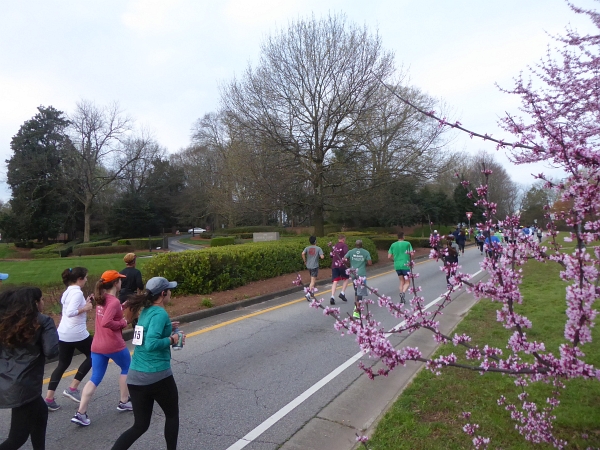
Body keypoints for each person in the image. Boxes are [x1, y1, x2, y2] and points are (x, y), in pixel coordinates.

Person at [111, 277, 182, 450]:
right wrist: (172, 339)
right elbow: (151, 344)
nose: (171, 292)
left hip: (135, 376)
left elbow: (142, 337)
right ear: (163, 293)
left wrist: (167, 327)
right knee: (172, 416)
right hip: (157, 375)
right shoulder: (160, 313)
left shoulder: (145, 311)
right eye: (169, 290)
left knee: (140, 425)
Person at [0, 287, 59, 450]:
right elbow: (51, 351)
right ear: (34, 303)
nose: (43, 302)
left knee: (40, 413)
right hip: (25, 386)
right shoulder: (42, 321)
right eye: (41, 299)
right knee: (17, 438)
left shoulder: (7, 322)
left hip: (9, 382)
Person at [71, 270, 132, 427]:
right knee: (127, 367)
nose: (121, 282)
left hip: (97, 345)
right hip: (113, 344)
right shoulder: (113, 302)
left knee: (95, 377)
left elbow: (112, 311)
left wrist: (124, 306)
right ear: (115, 283)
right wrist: (123, 323)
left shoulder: (102, 298)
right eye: (120, 280)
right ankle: (124, 401)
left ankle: (81, 413)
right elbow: (107, 321)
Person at [44, 267, 94, 411]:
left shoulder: (68, 291)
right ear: (79, 279)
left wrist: (85, 303)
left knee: (62, 364)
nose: (86, 280)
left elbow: (69, 310)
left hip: (63, 333)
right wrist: (86, 308)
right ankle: (72, 388)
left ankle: (49, 398)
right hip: (76, 333)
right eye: (85, 278)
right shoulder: (77, 292)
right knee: (94, 355)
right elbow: (72, 312)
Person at [345, 240, 372, 319]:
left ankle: (356, 306)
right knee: (360, 292)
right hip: (361, 274)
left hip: (353, 273)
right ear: (362, 245)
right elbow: (370, 263)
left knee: (356, 290)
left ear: (355, 245)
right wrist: (364, 262)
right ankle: (357, 310)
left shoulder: (351, 252)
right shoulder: (365, 252)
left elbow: (344, 259)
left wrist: (349, 263)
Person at [388, 232, 413, 303]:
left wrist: (394, 260)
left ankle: (401, 293)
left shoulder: (393, 245)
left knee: (401, 281)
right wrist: (410, 260)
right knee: (407, 282)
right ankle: (403, 293)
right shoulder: (407, 243)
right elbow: (412, 253)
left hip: (397, 265)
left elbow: (389, 257)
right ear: (403, 236)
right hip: (405, 265)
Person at [301, 236, 324, 301]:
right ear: (315, 241)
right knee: (313, 281)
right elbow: (322, 257)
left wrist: (305, 261)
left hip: (309, 265)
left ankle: (312, 292)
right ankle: (308, 294)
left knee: (312, 279)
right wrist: (321, 256)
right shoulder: (318, 248)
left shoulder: (307, 248)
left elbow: (303, 253)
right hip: (315, 266)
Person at [330, 235, 349, 305]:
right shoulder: (344, 246)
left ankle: (332, 296)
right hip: (342, 265)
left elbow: (331, 255)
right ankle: (342, 293)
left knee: (335, 281)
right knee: (346, 278)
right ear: (343, 239)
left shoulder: (334, 246)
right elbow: (346, 255)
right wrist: (346, 260)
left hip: (334, 265)